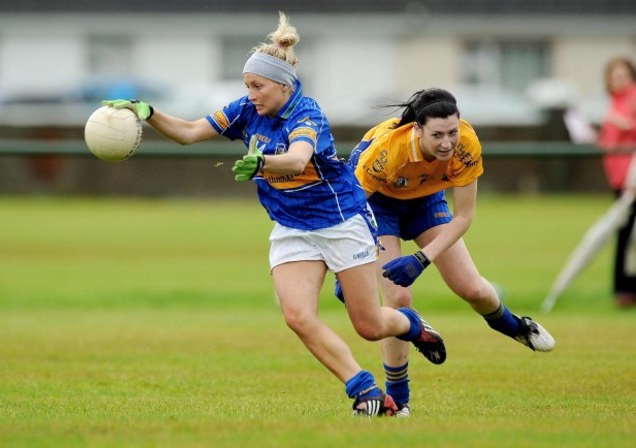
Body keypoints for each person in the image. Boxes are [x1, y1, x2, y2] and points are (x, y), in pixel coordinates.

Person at [101, 12, 446, 417]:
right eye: (247, 86)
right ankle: (364, 389)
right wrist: (147, 111)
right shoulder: (247, 110)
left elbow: (298, 160)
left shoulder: (307, 113)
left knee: (369, 326)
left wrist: (261, 163)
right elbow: (191, 132)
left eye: (258, 86)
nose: (251, 95)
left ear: (283, 85)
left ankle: (412, 326)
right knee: (298, 317)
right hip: (292, 228)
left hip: (341, 223)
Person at [335, 88, 555, 417]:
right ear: (417, 129)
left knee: (472, 288)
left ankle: (516, 327)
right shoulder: (385, 150)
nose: (447, 143)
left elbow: (464, 217)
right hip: (376, 207)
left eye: (452, 132)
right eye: (437, 135)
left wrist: (421, 259)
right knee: (398, 299)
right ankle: (399, 400)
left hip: (426, 202)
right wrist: (347, 268)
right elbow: (348, 211)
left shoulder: (466, 143)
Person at [597, 57, 636, 308]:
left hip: (632, 178)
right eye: (614, 77)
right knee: (623, 232)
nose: (618, 81)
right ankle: (623, 289)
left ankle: (624, 289)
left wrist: (624, 124)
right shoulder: (615, 101)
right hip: (618, 177)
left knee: (629, 234)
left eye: (623, 76)